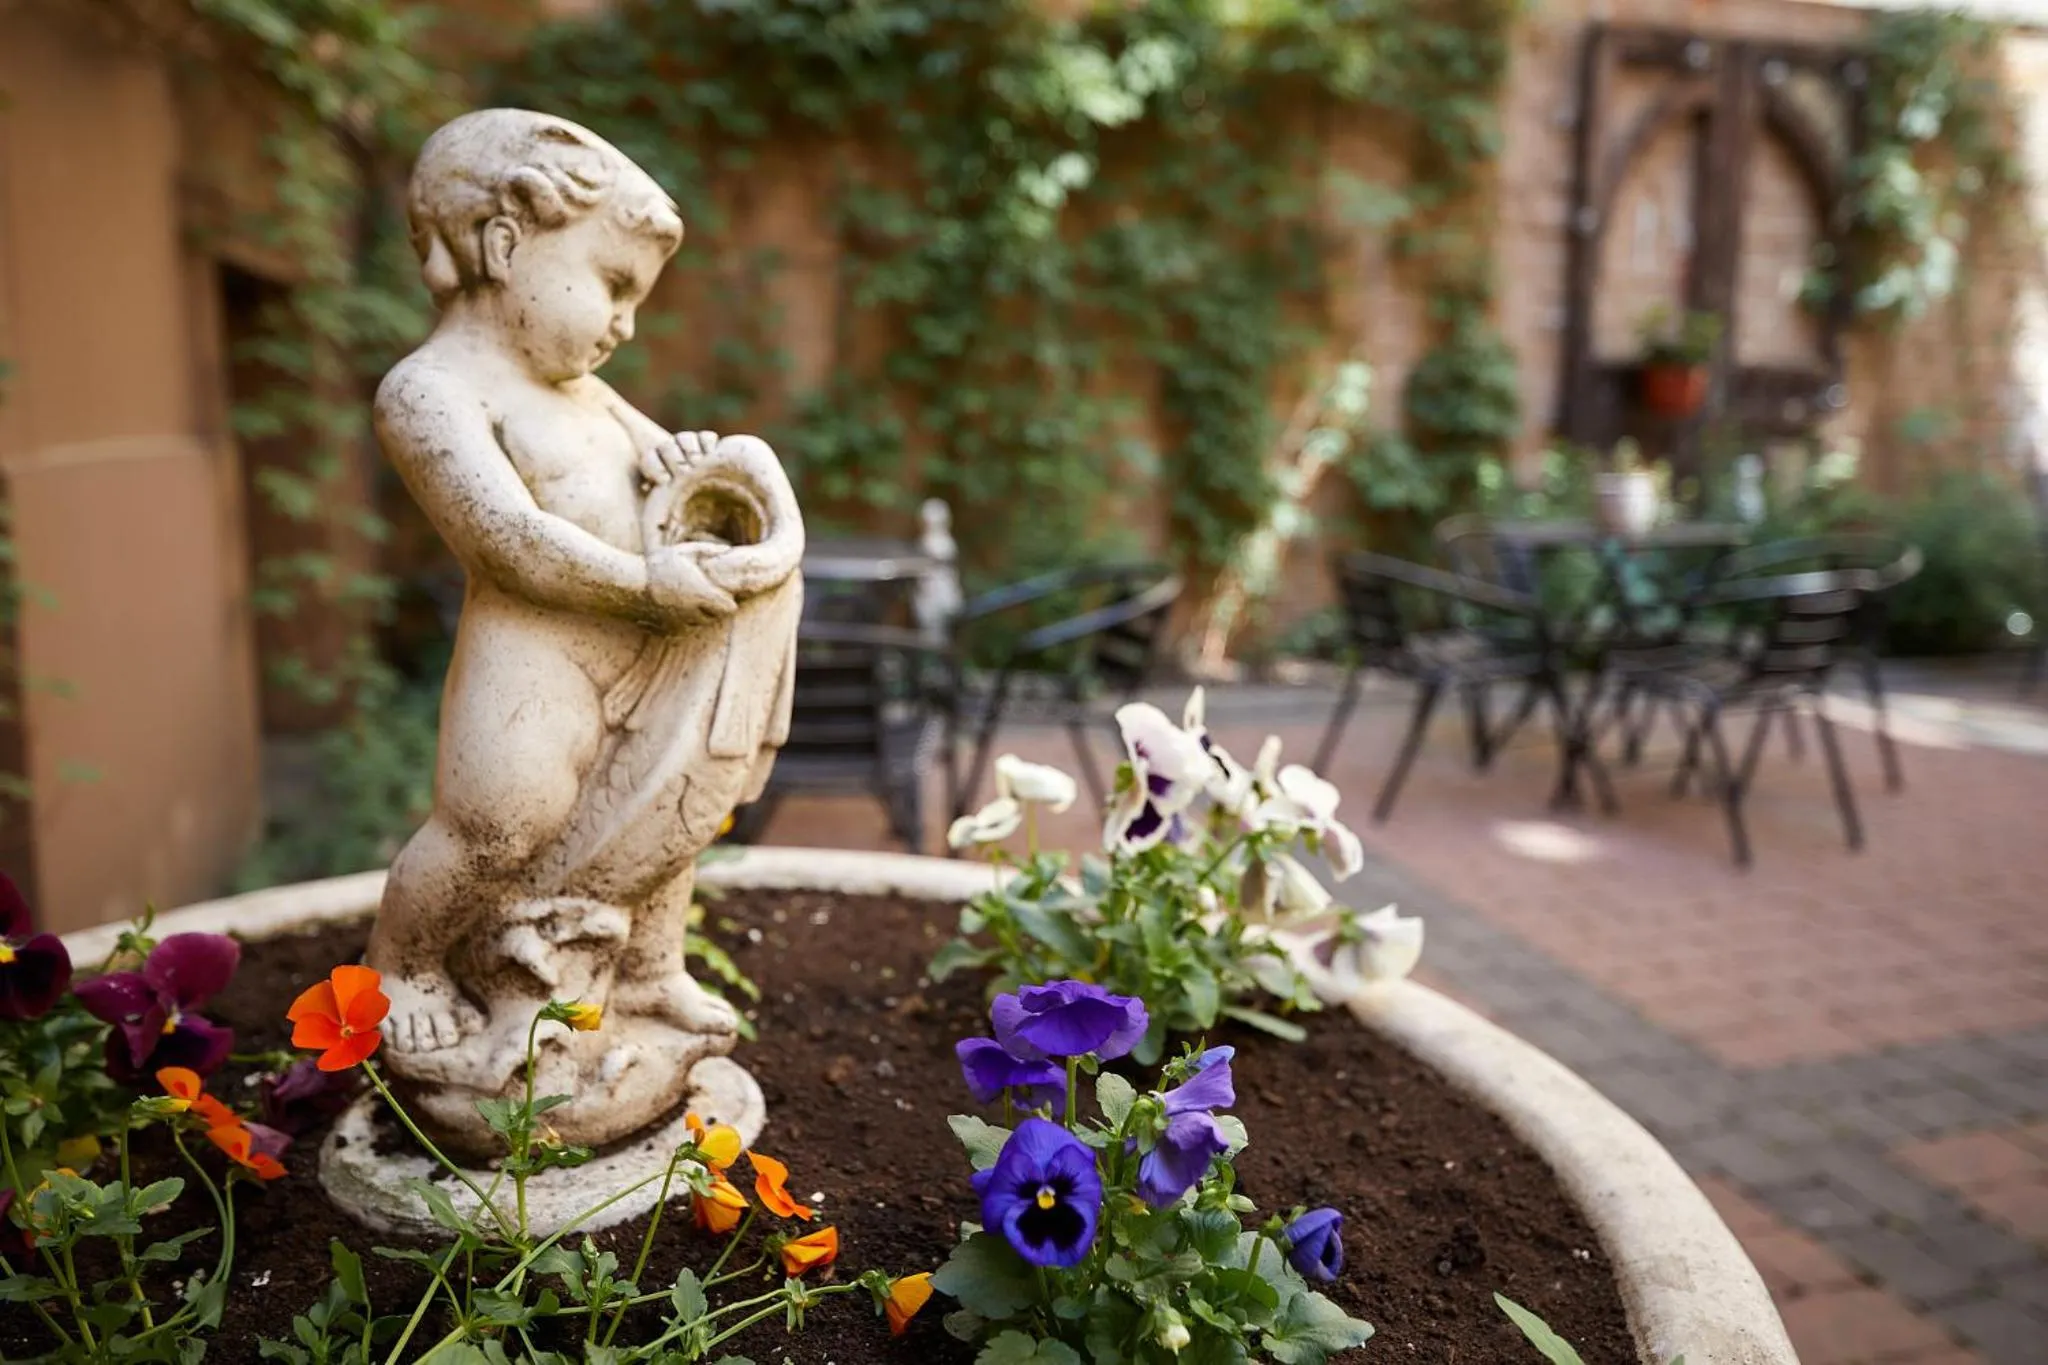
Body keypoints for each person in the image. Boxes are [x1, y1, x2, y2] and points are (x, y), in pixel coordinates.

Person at [366, 109, 799, 1064]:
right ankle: (403, 963)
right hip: (532, 666)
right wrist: (647, 584)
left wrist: (693, 465)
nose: (624, 324)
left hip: (641, 649)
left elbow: (664, 466)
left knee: (666, 811)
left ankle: (649, 968)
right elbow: (509, 542)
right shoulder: (433, 391)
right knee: (493, 823)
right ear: (509, 242)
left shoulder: (587, 394)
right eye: (612, 286)